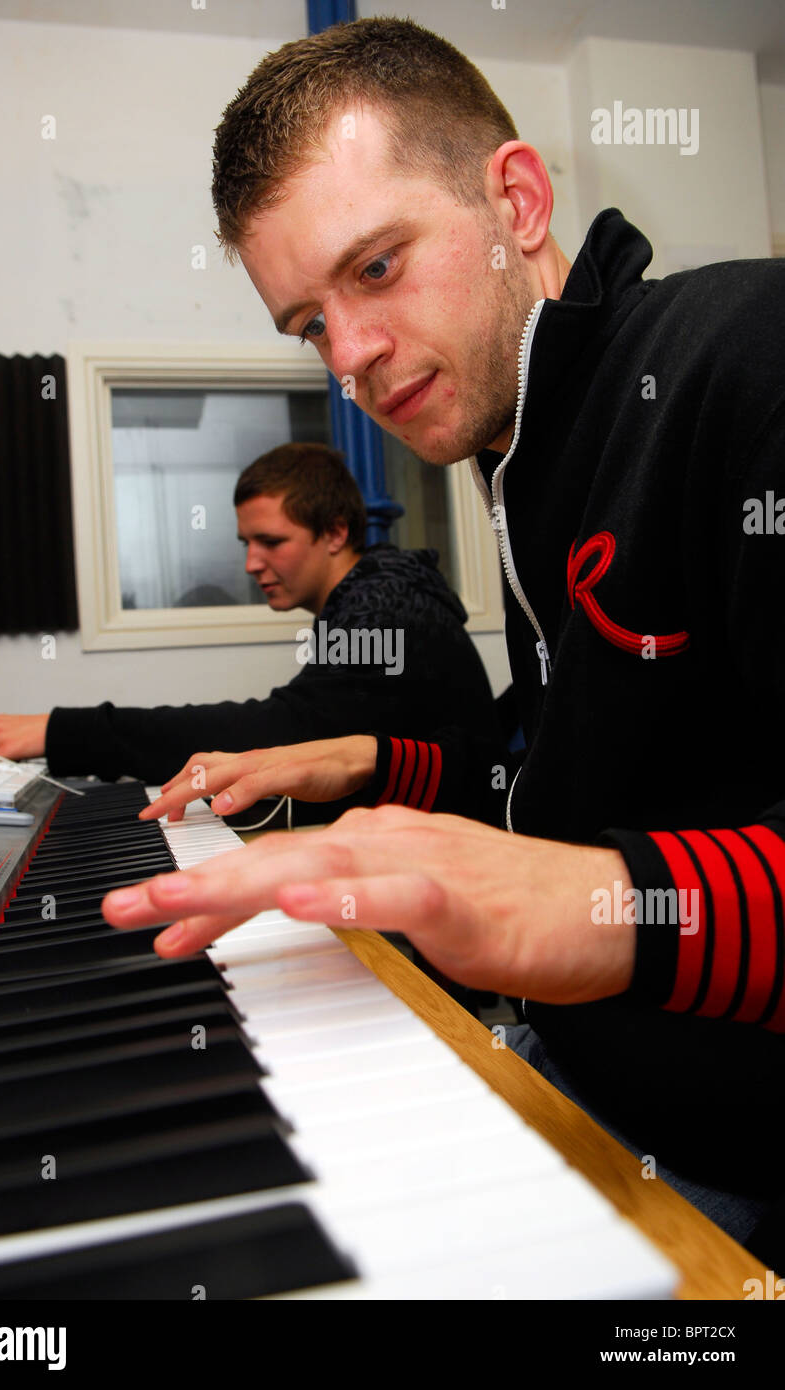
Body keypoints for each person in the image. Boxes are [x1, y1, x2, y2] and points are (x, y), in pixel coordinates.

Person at [102, 17, 785, 1263]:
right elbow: (562, 799)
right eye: (310, 323)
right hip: (567, 1068)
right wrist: (361, 765)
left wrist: (593, 904)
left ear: (515, 199)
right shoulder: (518, 457)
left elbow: (576, 872)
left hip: (728, 1158)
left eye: (376, 268)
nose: (349, 358)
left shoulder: (747, 354)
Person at [0, 441, 494, 794]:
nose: (250, 564)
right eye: (246, 543)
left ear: (335, 533)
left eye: (271, 542)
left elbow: (280, 733)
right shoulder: (371, 593)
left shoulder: (385, 607)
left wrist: (67, 732)